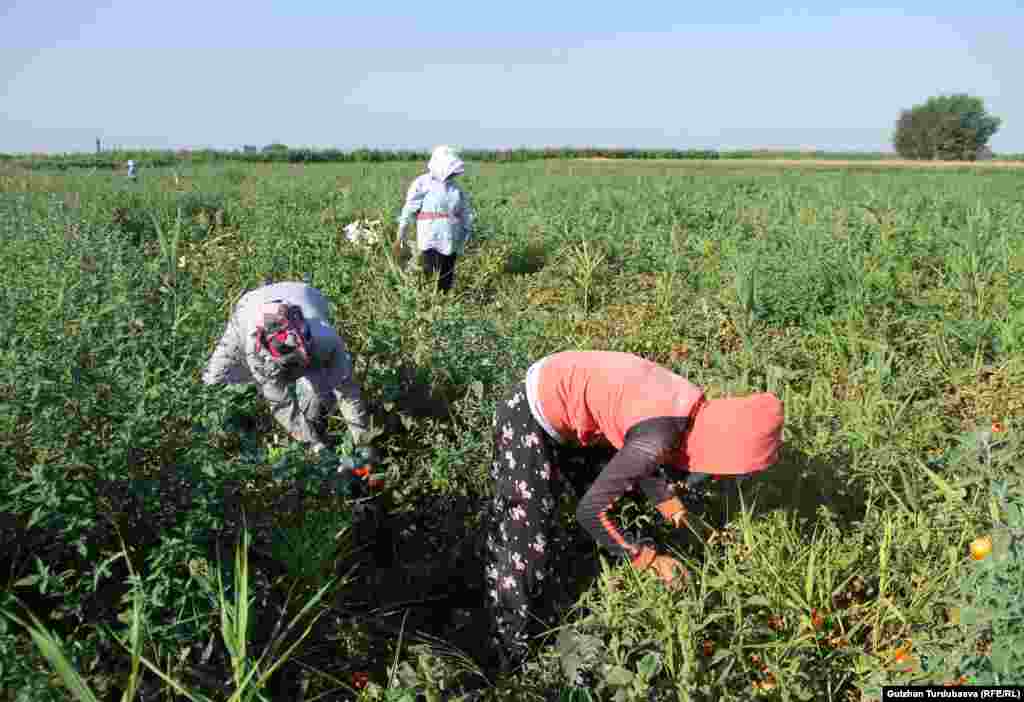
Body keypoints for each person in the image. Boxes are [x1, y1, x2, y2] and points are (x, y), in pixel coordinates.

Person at [483, 351, 784, 672]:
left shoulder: (690, 408)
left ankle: (583, 581)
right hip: (529, 411)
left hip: (574, 406)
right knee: (525, 536)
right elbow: (592, 511)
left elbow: (642, 458)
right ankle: (508, 654)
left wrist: (678, 513)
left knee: (608, 497)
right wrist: (649, 560)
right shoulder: (659, 434)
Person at [201, 281, 369, 454]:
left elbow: (347, 392)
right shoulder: (256, 354)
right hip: (248, 308)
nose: (295, 372)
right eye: (290, 367)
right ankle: (230, 439)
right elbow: (281, 404)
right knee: (214, 381)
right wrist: (314, 446)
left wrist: (363, 442)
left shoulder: (326, 339)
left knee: (320, 388)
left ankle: (315, 423)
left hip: (305, 294)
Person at [393, 145, 474, 293]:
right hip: (429, 235)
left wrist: (466, 234)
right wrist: (401, 233)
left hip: (451, 237)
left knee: (446, 274)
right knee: (429, 271)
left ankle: (443, 300)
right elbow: (409, 208)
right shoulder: (423, 182)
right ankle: (427, 299)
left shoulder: (455, 188)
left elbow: (465, 213)